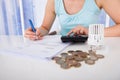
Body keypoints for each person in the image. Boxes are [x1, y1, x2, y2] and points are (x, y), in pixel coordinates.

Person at [25, 0, 120, 40]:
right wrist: (37, 32)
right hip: (62, 52)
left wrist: (89, 31)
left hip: (91, 49)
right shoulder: (54, 1)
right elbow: (45, 28)